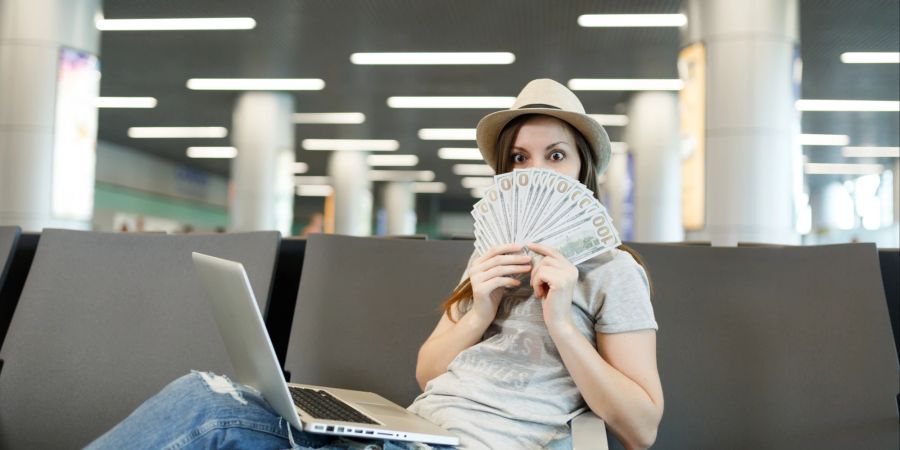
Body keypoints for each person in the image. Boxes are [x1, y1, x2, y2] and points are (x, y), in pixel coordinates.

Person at [85, 79, 662, 450]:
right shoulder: (491, 255)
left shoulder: (612, 271)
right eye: (519, 158)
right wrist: (478, 307)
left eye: (555, 155)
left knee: (213, 424)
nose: (534, 171)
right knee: (203, 395)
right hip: (410, 432)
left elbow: (641, 428)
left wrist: (562, 322)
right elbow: (428, 375)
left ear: (583, 172)